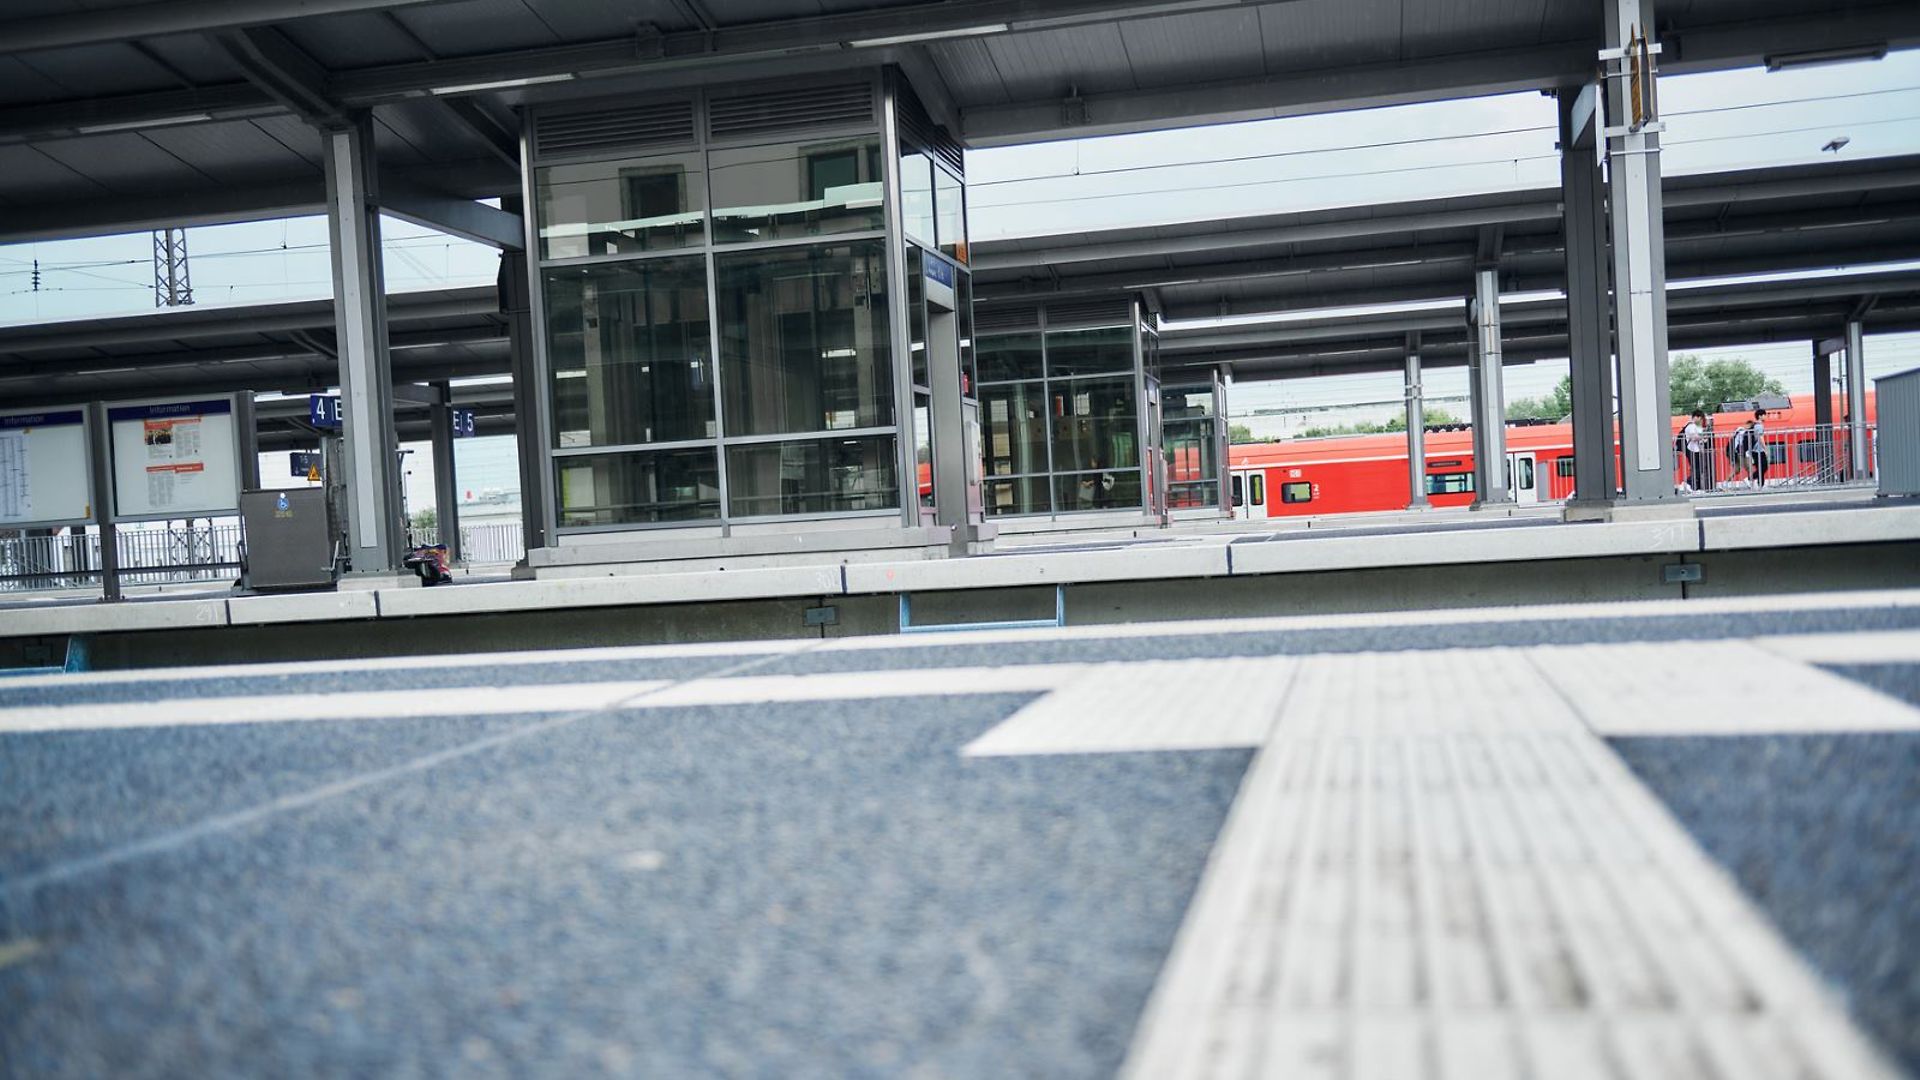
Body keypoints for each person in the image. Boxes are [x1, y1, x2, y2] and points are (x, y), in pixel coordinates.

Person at [1681, 410, 1709, 493]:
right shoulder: (1691, 426)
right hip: (1692, 449)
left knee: (1699, 468)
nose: (1700, 420)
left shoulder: (1694, 426)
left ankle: (1695, 487)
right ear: (1696, 417)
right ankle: (1687, 483)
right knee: (1698, 469)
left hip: (1696, 449)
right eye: (1700, 418)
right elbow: (1694, 437)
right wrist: (1702, 437)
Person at [1750, 409, 1769, 487]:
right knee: (1764, 467)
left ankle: (1760, 485)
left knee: (1760, 468)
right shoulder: (1759, 426)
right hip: (1758, 450)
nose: (1766, 416)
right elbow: (1761, 438)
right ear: (1760, 416)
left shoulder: (1756, 425)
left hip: (1756, 450)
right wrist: (1765, 448)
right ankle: (1750, 478)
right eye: (1764, 415)